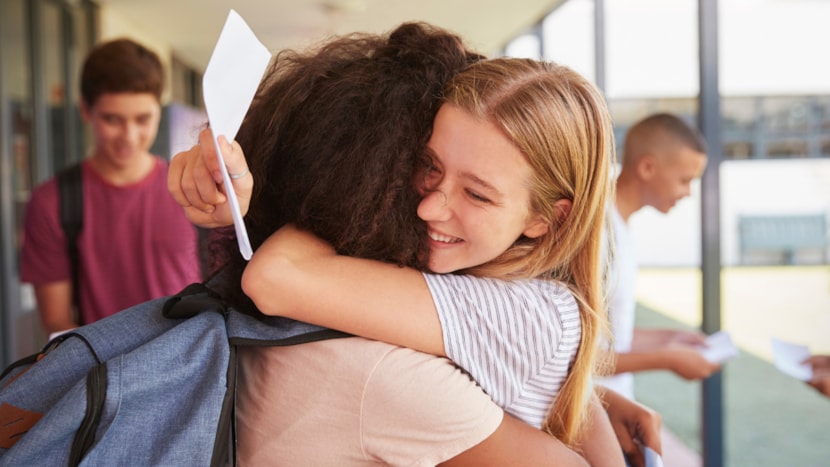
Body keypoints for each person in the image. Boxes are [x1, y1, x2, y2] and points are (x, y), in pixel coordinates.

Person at [171, 23, 652, 466]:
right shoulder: (504, 290)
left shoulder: (524, 316)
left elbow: (278, 278)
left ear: (547, 218)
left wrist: (320, 185)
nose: (428, 208)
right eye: (426, 166)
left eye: (478, 193)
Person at [20, 38, 203, 335]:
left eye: (142, 119)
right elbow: (56, 322)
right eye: (112, 119)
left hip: (187, 367)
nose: (129, 136)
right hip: (101, 371)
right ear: (85, 110)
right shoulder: (53, 202)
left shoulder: (190, 190)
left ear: (158, 110)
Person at [600, 112, 716, 464]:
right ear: (647, 167)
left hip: (612, 414)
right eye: (684, 180)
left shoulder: (621, 226)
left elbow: (605, 335)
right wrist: (666, 358)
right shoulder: (599, 236)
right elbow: (572, 358)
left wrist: (671, 338)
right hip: (597, 421)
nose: (687, 193)